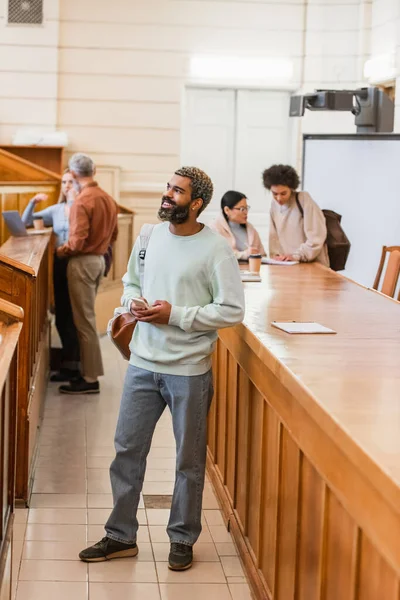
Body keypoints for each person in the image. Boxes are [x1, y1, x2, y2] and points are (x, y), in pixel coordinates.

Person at [78, 167, 245, 571]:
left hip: (188, 369)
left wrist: (177, 315)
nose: (168, 194)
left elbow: (232, 309)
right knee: (127, 451)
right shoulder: (149, 236)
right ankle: (120, 536)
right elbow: (131, 282)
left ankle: (182, 538)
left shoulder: (216, 249)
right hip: (141, 363)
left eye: (178, 191)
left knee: (187, 460)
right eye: (168, 187)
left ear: (198, 203)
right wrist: (130, 304)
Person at [56, 153, 118, 395]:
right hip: (99, 260)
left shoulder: (82, 201)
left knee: (84, 323)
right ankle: (87, 371)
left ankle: (90, 378)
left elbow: (76, 243)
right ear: (95, 170)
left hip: (82, 262)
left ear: (72, 173)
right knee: (87, 320)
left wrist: (60, 251)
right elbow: (113, 236)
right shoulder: (108, 199)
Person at [22, 170, 81, 381]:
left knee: (75, 316)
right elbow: (25, 221)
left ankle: (77, 366)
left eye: (71, 182)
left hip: (77, 262)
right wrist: (33, 202)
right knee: (62, 314)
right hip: (59, 263)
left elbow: (79, 230)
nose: (66, 186)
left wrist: (75, 201)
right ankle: (68, 365)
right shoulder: (56, 209)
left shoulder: (81, 208)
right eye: (64, 182)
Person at [262, 164, 329, 266]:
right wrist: (276, 258)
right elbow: (274, 238)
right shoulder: (274, 205)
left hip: (312, 265)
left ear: (292, 189)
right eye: (274, 194)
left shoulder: (303, 199)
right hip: (288, 265)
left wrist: (296, 255)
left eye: (283, 193)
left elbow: (316, 237)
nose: (279, 198)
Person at [211, 190, 266, 260]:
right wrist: (244, 254)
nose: (246, 212)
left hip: (251, 270)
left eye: (246, 208)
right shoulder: (215, 228)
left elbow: (262, 254)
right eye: (242, 209)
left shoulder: (251, 229)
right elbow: (218, 255)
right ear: (227, 210)